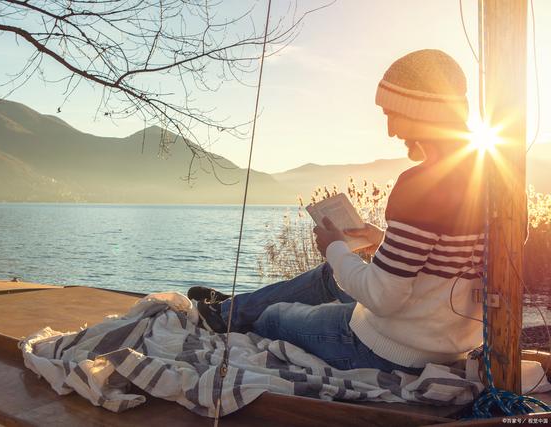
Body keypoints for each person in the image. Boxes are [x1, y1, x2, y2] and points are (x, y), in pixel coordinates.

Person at [189, 49, 485, 374]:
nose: (390, 130)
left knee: (275, 316)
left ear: (420, 111)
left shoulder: (420, 185)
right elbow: (448, 262)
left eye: (393, 113)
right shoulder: (491, 178)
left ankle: (233, 316)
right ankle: (228, 311)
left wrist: (332, 246)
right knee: (331, 273)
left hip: (390, 350)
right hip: (448, 340)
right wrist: (381, 240)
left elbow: (383, 298)